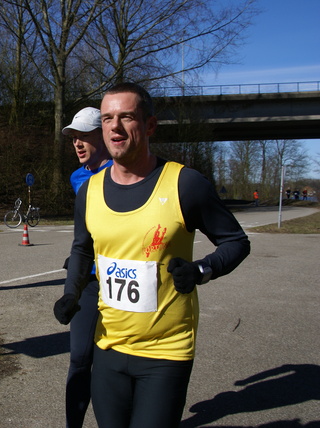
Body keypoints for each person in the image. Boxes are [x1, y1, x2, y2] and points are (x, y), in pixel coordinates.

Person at [54, 82, 250, 428]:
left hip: (166, 352)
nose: (114, 126)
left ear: (149, 126)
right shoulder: (89, 191)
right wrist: (71, 293)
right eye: (108, 118)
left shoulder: (185, 184)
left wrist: (202, 269)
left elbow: (236, 241)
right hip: (110, 346)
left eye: (126, 117)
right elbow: (82, 248)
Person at [60, 107, 112, 428]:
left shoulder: (124, 172)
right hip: (89, 280)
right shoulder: (77, 178)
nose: (78, 144)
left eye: (85, 136)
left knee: (111, 364)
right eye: (74, 138)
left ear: (104, 135)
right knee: (79, 358)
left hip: (121, 278)